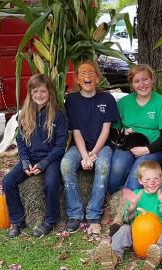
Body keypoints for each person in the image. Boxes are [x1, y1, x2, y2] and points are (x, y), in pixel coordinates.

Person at [2, 74, 68, 238]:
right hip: (30, 157)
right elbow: (20, 140)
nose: (39, 95)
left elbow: (60, 146)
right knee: (8, 181)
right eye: (35, 91)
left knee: (51, 183)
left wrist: (44, 164)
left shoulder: (58, 116)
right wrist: (24, 162)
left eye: (43, 91)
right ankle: (18, 220)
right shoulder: (24, 114)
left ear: (50, 93)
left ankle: (50, 220)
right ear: (30, 93)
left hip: (51, 158)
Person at [61, 60, 120, 234]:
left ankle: (94, 214)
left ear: (98, 77)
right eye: (83, 74)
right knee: (65, 165)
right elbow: (76, 131)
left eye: (91, 73)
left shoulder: (107, 99)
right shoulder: (71, 100)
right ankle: (75, 214)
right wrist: (84, 156)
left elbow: (106, 129)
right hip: (79, 146)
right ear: (77, 79)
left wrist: (93, 154)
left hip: (102, 146)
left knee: (102, 166)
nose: (87, 77)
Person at [96, 160, 162, 270]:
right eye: (147, 179)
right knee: (125, 228)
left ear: (161, 178)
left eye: (156, 179)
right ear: (140, 180)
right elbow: (126, 219)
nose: (152, 182)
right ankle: (114, 255)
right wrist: (132, 205)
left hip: (160, 234)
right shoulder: (136, 194)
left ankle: (158, 256)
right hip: (138, 235)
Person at [107, 64, 162, 193]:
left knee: (139, 170)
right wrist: (122, 133)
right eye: (137, 81)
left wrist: (147, 149)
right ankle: (110, 203)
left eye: (145, 79)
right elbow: (113, 131)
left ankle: (125, 207)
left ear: (152, 80)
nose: (142, 84)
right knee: (117, 168)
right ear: (131, 85)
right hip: (128, 147)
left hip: (154, 148)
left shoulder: (161, 103)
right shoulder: (123, 103)